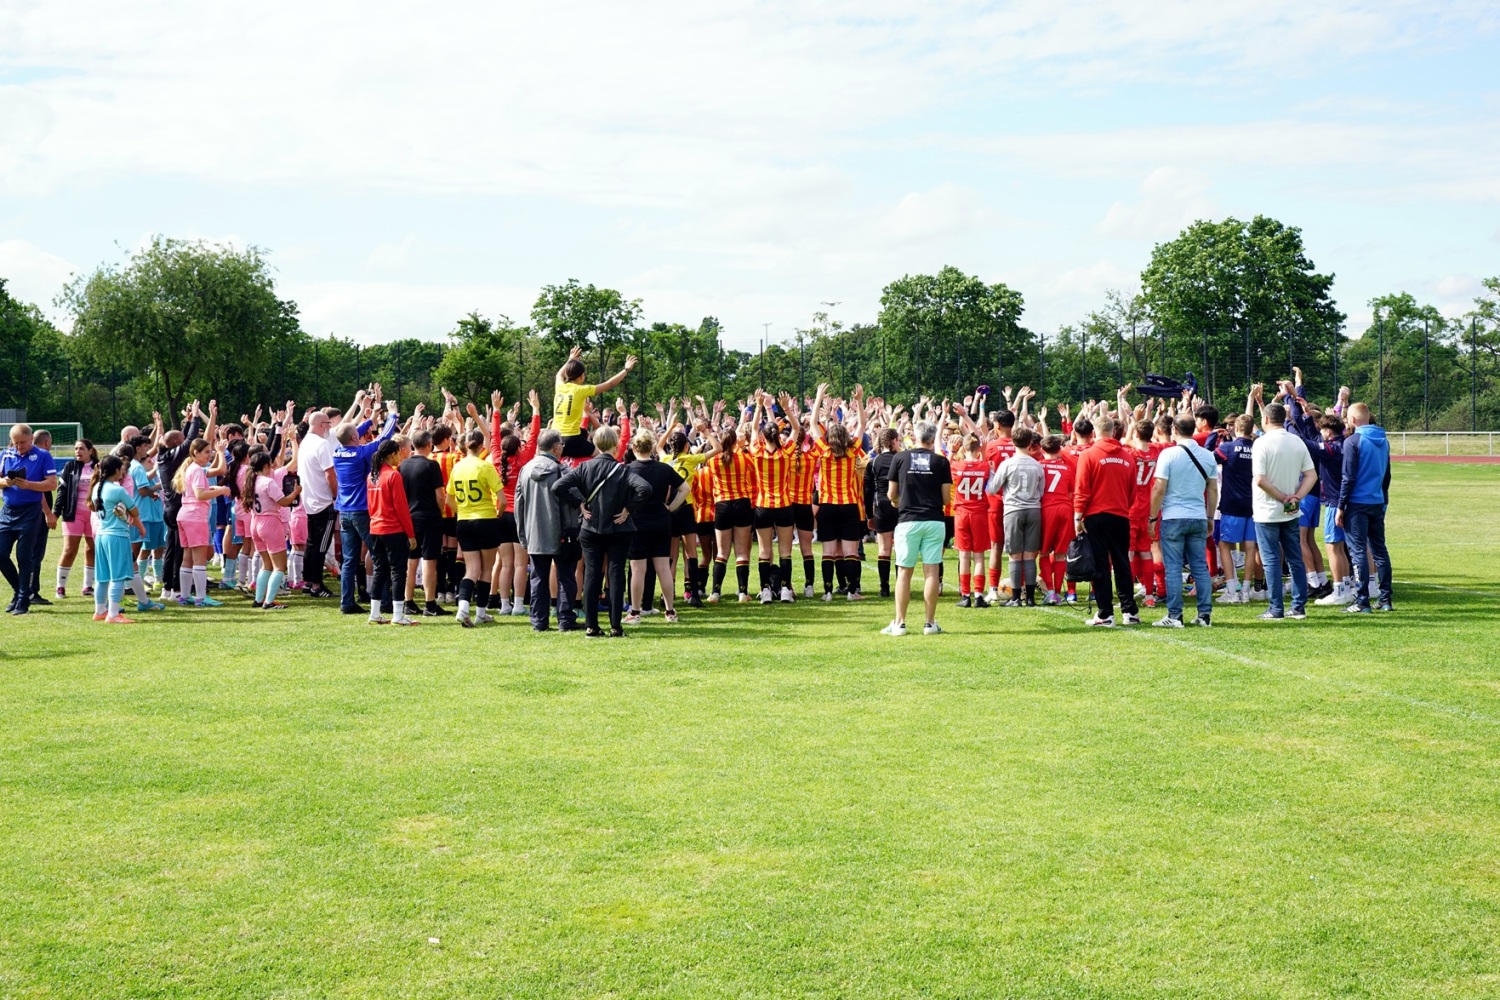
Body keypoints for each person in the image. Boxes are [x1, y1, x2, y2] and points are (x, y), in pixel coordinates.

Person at [553, 425, 651, 637]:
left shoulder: (585, 468)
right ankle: (616, 626)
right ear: (616, 445)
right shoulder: (623, 469)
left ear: (595, 444)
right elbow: (645, 488)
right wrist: (628, 509)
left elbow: (558, 487)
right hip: (619, 527)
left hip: (590, 526)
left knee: (592, 575)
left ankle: (591, 626)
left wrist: (579, 503)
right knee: (615, 575)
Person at [1148, 415, 1219, 627]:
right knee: (1199, 567)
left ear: (1175, 431)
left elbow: (1159, 488)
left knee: (1173, 568)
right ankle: (1204, 615)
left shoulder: (1168, 454)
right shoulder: (1207, 455)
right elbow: (1213, 489)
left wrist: (1152, 517)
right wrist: (1209, 515)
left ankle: (1175, 615)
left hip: (1173, 516)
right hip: (1197, 515)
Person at [881, 421, 951, 636]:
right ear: (933, 438)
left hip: (908, 520)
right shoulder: (941, 461)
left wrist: (897, 502)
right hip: (933, 519)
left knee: (904, 571)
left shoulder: (900, 458)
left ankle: (899, 623)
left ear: (915, 436)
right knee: (931, 571)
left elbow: (891, 494)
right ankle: (929, 623)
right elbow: (946, 498)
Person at [1250, 400, 1317, 621]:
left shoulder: (1262, 443)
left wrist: (1282, 497)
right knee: (1295, 558)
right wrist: (1296, 497)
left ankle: (1276, 608)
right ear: (1284, 418)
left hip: (1267, 509)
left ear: (1266, 419)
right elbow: (1311, 475)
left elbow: (1260, 479)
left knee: (1271, 560)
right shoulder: (1297, 441)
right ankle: (1298, 606)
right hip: (1290, 509)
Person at [332, 401, 399, 615]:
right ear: (354, 438)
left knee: (350, 559)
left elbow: (348, 434)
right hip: (362, 510)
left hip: (344, 511)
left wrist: (370, 420)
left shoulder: (337, 452)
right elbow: (384, 440)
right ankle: (385, 601)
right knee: (379, 555)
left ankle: (347, 602)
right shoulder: (361, 454)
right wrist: (392, 416)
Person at [1073, 415, 1140, 627]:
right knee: (1122, 563)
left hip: (1096, 516)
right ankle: (1130, 612)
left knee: (1100, 564)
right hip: (1120, 516)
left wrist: (1078, 515)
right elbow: (1132, 492)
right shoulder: (1128, 457)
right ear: (1113, 431)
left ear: (1095, 431)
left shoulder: (1089, 455)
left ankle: (1105, 614)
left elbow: (1082, 489)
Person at [515, 429, 580, 632]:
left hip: (535, 532)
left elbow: (519, 505)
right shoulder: (561, 470)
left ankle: (539, 620)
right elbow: (575, 500)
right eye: (561, 444)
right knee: (566, 577)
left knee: (538, 577)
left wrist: (523, 534)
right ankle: (565, 619)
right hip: (561, 532)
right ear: (555, 447)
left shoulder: (525, 470)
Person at [810, 382, 867, 601]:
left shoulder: (823, 452)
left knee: (828, 552)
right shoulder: (853, 452)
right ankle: (852, 592)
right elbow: (862, 423)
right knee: (851, 552)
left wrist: (818, 397)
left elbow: (814, 424)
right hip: (849, 506)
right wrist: (860, 400)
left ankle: (827, 592)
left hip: (827, 506)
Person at [624, 429, 688, 624]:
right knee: (663, 568)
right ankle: (670, 611)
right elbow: (685, 488)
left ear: (634, 448)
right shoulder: (663, 468)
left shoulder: (627, 470)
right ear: (652, 447)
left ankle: (635, 612)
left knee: (638, 569)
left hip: (637, 522)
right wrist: (670, 508)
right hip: (661, 521)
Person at [1337, 402, 1393, 614]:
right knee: (1380, 551)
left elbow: (1348, 477)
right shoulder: (1384, 441)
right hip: (1377, 502)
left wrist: (1341, 506)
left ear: (1352, 420)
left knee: (1358, 550)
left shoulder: (1353, 441)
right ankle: (1386, 599)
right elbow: (1387, 476)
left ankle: (1362, 601)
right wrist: (1384, 500)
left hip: (1357, 504)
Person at [446, 428, 504, 627]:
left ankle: (463, 608)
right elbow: (502, 500)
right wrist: (497, 514)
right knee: (486, 569)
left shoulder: (458, 467)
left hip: (464, 521)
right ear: (482, 446)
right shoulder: (485, 466)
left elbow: (448, 499)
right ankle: (480, 613)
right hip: (485, 519)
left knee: (471, 569)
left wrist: (462, 510)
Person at [1, 423, 59, 615]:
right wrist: (5, 482)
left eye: (22, 442)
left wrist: (28, 485)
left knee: (24, 556)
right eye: (15, 443)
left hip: (30, 512)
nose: (19, 447)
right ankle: (19, 591)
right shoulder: (6, 455)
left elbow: (52, 484)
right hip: (8, 511)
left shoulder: (43, 456)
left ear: (31, 438)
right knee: (1, 554)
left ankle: (23, 600)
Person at [989, 427, 1045, 607]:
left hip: (1013, 510)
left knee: (1014, 555)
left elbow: (992, 488)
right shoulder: (1037, 465)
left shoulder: (1007, 464)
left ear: (1013, 442)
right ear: (1030, 443)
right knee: (1030, 555)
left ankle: (1015, 598)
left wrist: (991, 473)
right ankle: (1029, 597)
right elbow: (1041, 490)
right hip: (1034, 509)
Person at [748, 392, 796, 604]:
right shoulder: (785, 453)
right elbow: (796, 429)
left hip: (763, 506)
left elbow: (751, 430)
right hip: (784, 504)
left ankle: (765, 590)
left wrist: (759, 407)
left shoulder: (757, 452)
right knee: (785, 551)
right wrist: (786, 409)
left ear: (763, 436)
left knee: (765, 551)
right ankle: (785, 589)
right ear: (778, 434)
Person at [552, 347, 639, 458]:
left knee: (582, 433)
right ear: (581, 376)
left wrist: (570, 359)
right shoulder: (580, 390)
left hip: (555, 437)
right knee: (604, 457)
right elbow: (609, 384)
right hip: (571, 438)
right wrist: (626, 370)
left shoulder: (560, 386)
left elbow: (559, 374)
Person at [367, 437, 418, 625]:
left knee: (380, 570)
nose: (400, 457)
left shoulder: (372, 476)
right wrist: (410, 534)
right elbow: (402, 508)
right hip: (393, 529)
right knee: (398, 571)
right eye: (398, 453)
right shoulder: (393, 476)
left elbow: (371, 506)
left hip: (376, 528)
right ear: (392, 455)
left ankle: (374, 613)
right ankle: (398, 614)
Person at [174, 438, 231, 607]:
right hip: (195, 516)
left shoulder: (190, 468)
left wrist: (212, 490)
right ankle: (200, 597)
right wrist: (220, 490)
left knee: (187, 558)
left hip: (185, 515)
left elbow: (198, 491)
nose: (209, 455)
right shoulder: (197, 469)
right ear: (195, 453)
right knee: (199, 558)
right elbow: (200, 495)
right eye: (206, 452)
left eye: (210, 451)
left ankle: (184, 596)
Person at [87, 454, 144, 624]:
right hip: (116, 536)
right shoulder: (118, 489)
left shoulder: (97, 486)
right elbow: (135, 511)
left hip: (102, 535)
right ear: (117, 470)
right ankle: (113, 614)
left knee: (102, 576)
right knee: (117, 576)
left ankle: (100, 611)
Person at [705, 426, 758, 603]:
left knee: (722, 552)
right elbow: (754, 470)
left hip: (722, 504)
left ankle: (715, 592)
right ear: (736, 442)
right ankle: (743, 592)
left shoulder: (713, 460)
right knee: (742, 552)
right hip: (742, 502)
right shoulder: (743, 458)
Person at [1214, 414, 1263, 604]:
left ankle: (1232, 590)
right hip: (1253, 505)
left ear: (1235, 428)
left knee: (1225, 545)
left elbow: (1208, 458)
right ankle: (1245, 590)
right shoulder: (1258, 448)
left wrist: (1213, 437)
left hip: (1232, 504)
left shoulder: (1227, 447)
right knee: (1250, 547)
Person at [400, 430, 448, 616]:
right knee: (429, 561)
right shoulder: (431, 465)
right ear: (429, 445)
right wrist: (440, 510)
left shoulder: (403, 465)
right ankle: (430, 603)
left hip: (410, 517)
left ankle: (408, 601)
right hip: (429, 517)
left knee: (411, 561)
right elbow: (439, 495)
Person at [245, 448, 299, 611]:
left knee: (266, 564)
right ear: (267, 465)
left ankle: (259, 599)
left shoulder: (251, 481)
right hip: (270, 523)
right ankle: (269, 601)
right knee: (279, 566)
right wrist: (295, 493)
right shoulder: (268, 482)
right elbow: (283, 502)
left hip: (255, 521)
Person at [299, 407, 340, 599]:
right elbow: (329, 474)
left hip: (309, 500)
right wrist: (335, 495)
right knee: (320, 546)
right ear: (321, 425)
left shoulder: (305, 442)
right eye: (328, 424)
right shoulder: (321, 444)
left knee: (312, 543)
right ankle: (316, 584)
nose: (329, 428)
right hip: (323, 501)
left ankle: (308, 581)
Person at [53, 439, 99, 598]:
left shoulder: (99, 467)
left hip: (94, 515)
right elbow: (61, 491)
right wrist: (56, 512)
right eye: (76, 449)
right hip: (73, 514)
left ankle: (87, 586)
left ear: (90, 451)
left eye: (81, 449)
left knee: (92, 549)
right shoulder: (70, 467)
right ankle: (60, 586)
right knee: (69, 550)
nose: (78, 451)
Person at [949, 433, 991, 607]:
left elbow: (945, 462)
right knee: (979, 556)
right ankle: (979, 595)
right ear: (978, 448)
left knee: (964, 556)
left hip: (962, 513)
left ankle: (966, 595)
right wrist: (984, 450)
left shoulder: (957, 466)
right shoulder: (984, 466)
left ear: (963, 448)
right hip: (980, 512)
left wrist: (952, 450)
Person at [1037, 434, 1076, 605]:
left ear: (1042, 450)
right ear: (1059, 449)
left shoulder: (1039, 466)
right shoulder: (1067, 468)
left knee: (1044, 552)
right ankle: (1059, 594)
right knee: (1061, 554)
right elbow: (1070, 493)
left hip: (1047, 509)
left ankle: (1050, 592)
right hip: (1065, 508)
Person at [866, 427, 902, 598]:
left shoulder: (873, 462)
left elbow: (867, 491)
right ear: (894, 440)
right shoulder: (901, 459)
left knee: (884, 549)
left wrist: (869, 515)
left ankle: (884, 587)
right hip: (900, 506)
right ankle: (899, 585)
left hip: (881, 506)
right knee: (900, 548)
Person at [26, 428, 55, 606]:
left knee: (32, 553)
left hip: (30, 513)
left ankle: (29, 590)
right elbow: (41, 490)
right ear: (46, 443)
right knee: (34, 553)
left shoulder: (31, 457)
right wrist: (48, 513)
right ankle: (30, 591)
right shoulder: (42, 456)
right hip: (36, 514)